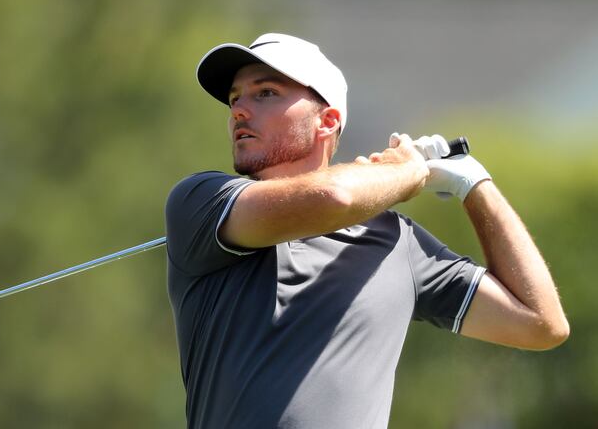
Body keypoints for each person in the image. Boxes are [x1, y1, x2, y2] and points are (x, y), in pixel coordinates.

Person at [164, 33, 568, 429]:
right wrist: (408, 171)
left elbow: (541, 323)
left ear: (327, 121)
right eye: (235, 98)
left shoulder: (399, 243)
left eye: (265, 93)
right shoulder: (202, 201)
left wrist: (476, 187)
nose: (239, 110)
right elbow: (335, 196)